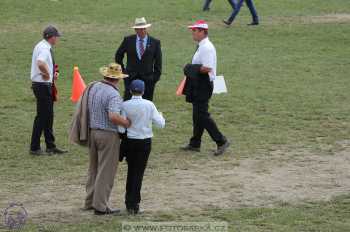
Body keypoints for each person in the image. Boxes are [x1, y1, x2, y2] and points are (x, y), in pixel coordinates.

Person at [83, 63, 131, 216]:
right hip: (108, 135)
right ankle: (101, 206)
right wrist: (126, 123)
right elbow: (113, 116)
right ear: (117, 79)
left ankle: (89, 202)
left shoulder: (94, 87)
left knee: (94, 169)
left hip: (93, 132)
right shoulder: (113, 95)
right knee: (106, 171)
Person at [181, 20, 230, 156]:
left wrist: (190, 68)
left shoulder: (206, 47)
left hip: (203, 84)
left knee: (202, 115)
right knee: (197, 115)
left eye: (195, 30)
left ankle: (221, 141)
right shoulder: (202, 46)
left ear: (202, 31)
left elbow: (207, 68)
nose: (193, 33)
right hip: (200, 83)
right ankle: (195, 143)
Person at [119, 79, 165, 214]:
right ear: (143, 91)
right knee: (139, 173)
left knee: (131, 171)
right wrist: (161, 116)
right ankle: (135, 203)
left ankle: (128, 202)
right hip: (144, 142)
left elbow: (121, 129)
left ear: (130, 90)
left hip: (130, 142)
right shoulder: (149, 105)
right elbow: (161, 124)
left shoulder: (125, 105)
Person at [30, 26, 67, 155]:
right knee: (42, 116)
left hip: (43, 85)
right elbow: (40, 63)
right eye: (56, 36)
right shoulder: (45, 49)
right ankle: (34, 147)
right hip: (42, 85)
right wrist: (46, 74)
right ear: (51, 37)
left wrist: (51, 74)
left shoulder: (41, 46)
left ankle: (50, 145)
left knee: (48, 115)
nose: (57, 39)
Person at [115, 17, 162, 101]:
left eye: (144, 28)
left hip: (148, 80)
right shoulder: (128, 40)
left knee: (146, 104)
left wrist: (155, 78)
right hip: (130, 78)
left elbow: (158, 62)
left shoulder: (155, 42)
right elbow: (118, 56)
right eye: (140, 29)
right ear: (135, 30)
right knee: (128, 103)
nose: (142, 31)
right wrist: (123, 72)